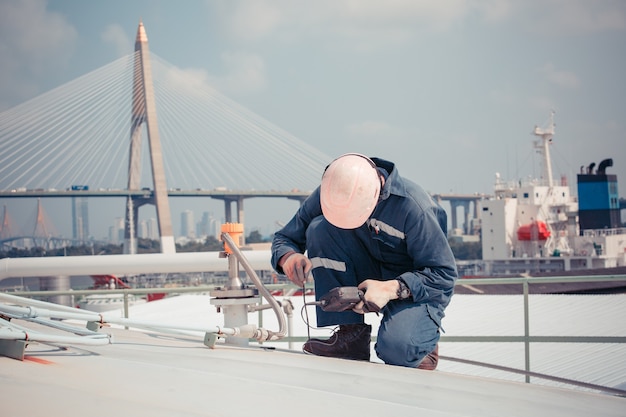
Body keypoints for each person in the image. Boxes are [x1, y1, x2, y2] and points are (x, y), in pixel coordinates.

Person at [271, 153, 457, 370]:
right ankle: (351, 337)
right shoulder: (333, 191)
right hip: (367, 270)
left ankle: (421, 348)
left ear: (376, 194)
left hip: (415, 288)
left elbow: (443, 274)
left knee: (397, 351)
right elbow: (285, 237)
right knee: (319, 229)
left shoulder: (414, 208)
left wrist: (393, 288)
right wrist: (288, 257)